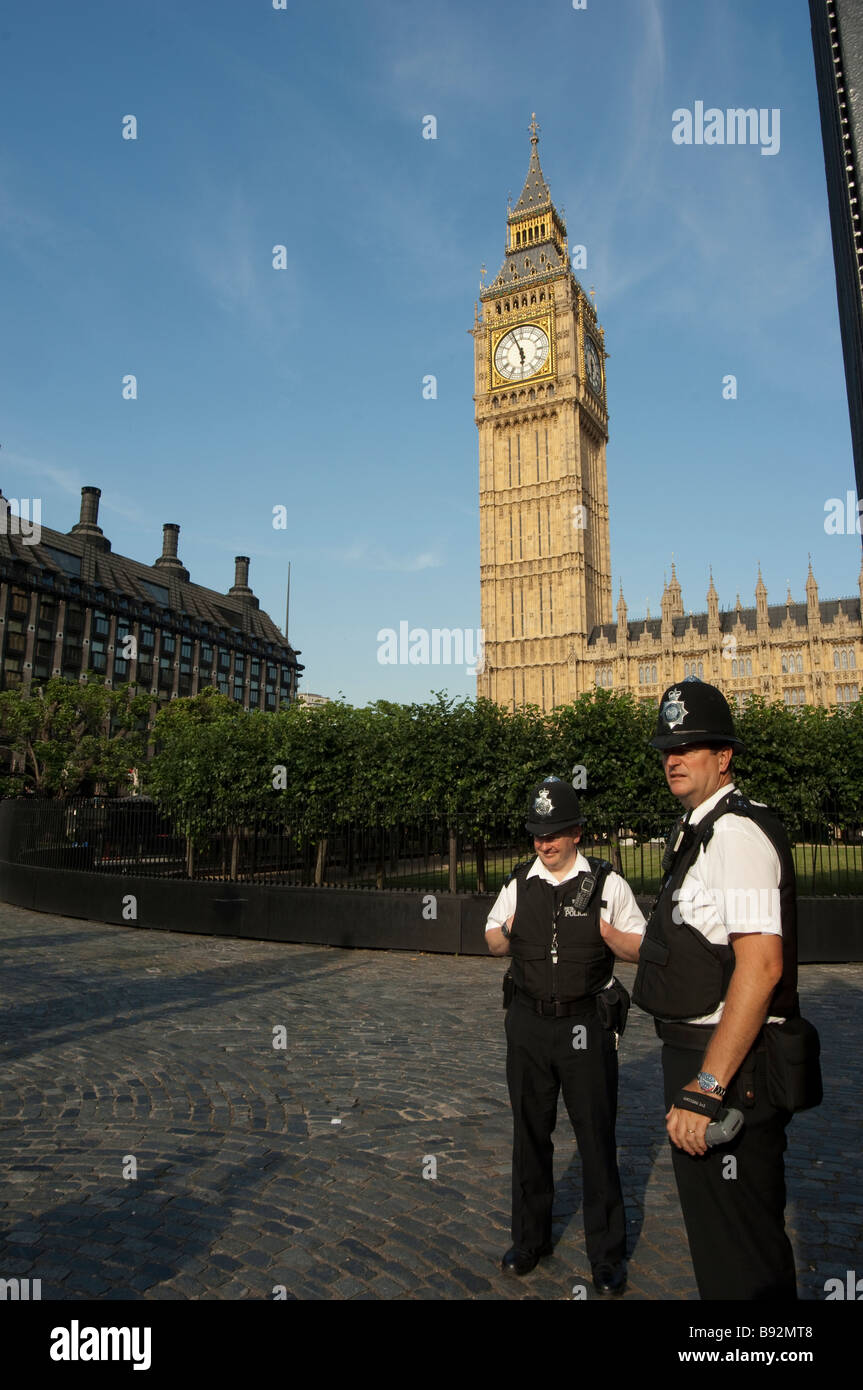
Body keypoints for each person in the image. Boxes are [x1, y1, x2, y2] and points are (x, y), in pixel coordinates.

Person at [632, 676, 801, 1300]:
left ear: (722, 757)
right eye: (668, 749)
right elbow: (692, 946)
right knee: (719, 1248)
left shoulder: (735, 834)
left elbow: (762, 969)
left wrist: (706, 1088)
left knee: (741, 1261)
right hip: (705, 1063)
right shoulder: (700, 830)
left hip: (732, 1076)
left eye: (690, 747)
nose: (673, 759)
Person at [486, 777, 645, 1294]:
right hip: (529, 1024)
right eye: (536, 833)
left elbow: (640, 945)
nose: (544, 843)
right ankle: (530, 1240)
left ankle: (607, 1255)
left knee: (595, 1140)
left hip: (585, 1026)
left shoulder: (606, 882)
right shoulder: (518, 880)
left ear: (577, 832)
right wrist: (507, 933)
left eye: (553, 833)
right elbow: (491, 938)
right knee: (529, 1137)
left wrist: (608, 935)